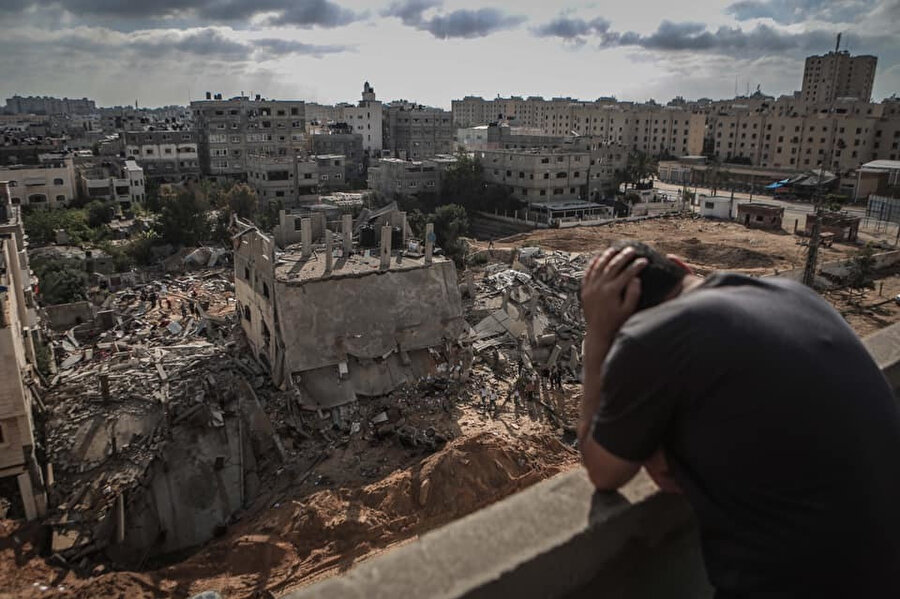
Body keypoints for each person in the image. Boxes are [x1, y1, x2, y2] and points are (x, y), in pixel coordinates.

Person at [578, 241, 900, 598]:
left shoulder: (649, 337)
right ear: (681, 265)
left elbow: (603, 470)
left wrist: (597, 340)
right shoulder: (795, 295)